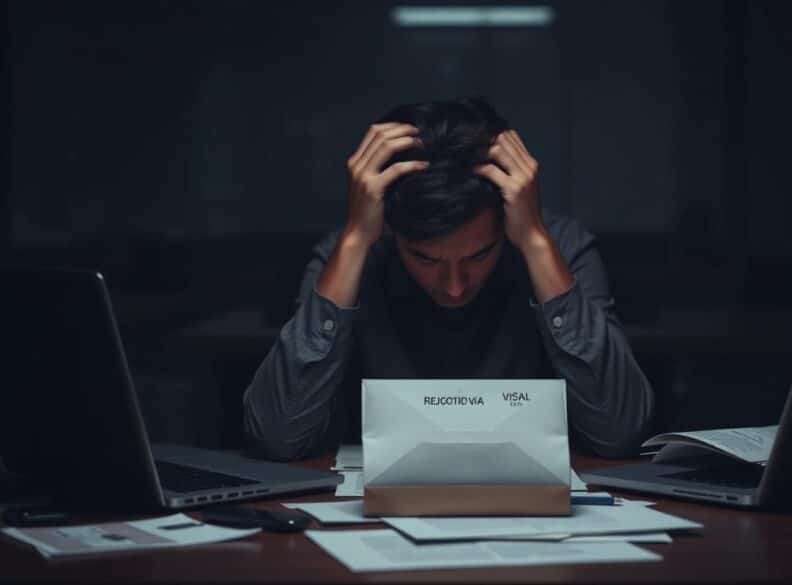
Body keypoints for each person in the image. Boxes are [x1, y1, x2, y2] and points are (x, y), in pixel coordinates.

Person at [243, 97, 654, 461]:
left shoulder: (558, 246)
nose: (454, 286)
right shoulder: (354, 253)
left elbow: (619, 432)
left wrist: (533, 242)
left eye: (479, 254)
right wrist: (353, 241)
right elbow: (278, 436)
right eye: (424, 258)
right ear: (390, 230)